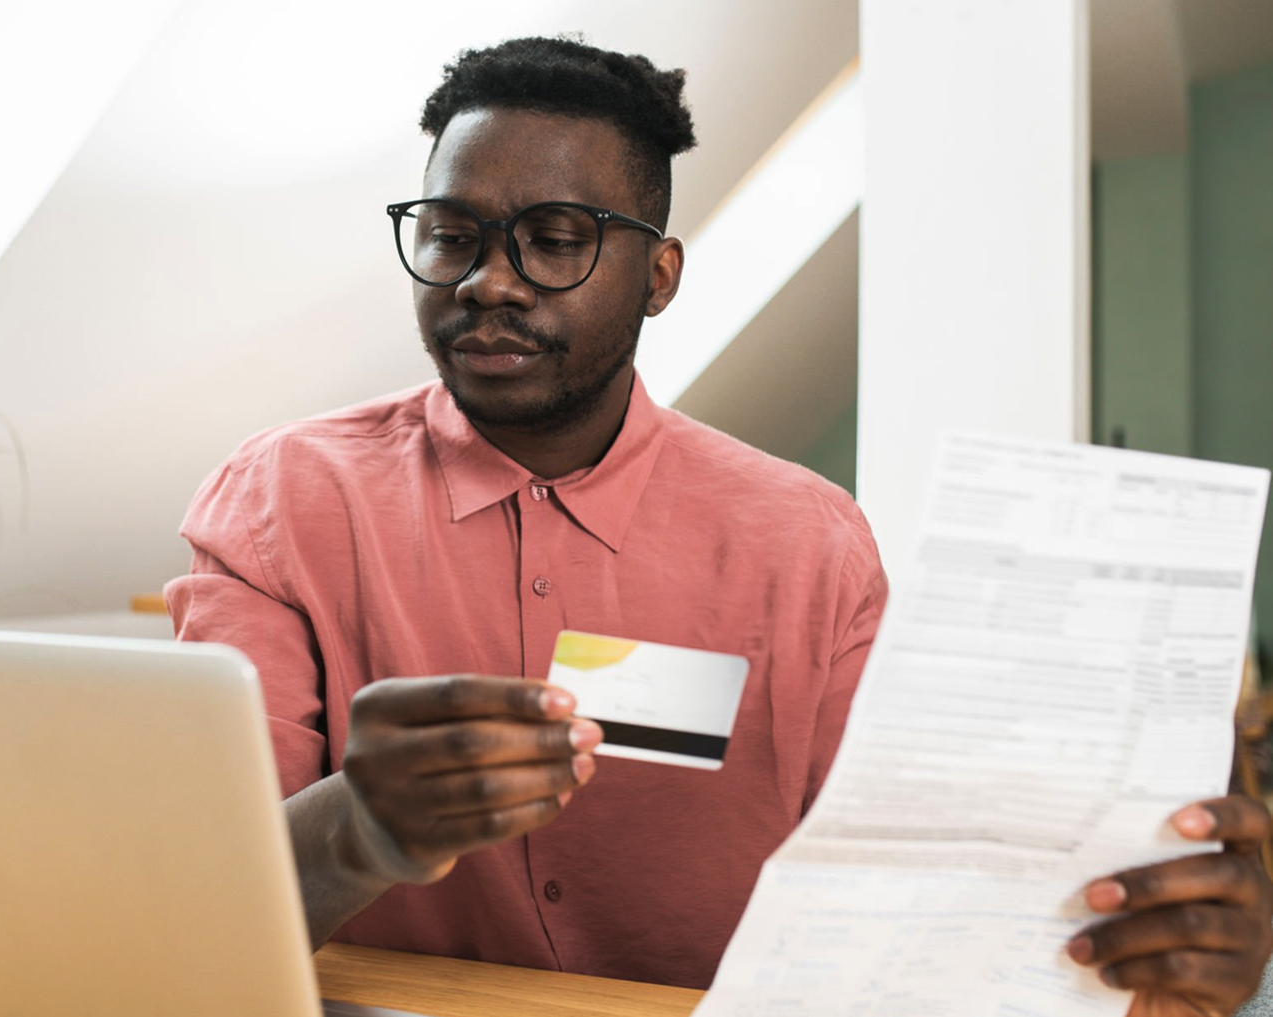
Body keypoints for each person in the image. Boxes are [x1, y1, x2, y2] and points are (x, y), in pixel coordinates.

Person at [166, 35, 1273, 1014]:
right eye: (452, 236)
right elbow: (185, 907)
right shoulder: (281, 502)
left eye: (554, 239)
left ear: (658, 277)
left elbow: (913, 896)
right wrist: (360, 822)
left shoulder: (806, 543)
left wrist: (1166, 972)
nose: (489, 282)